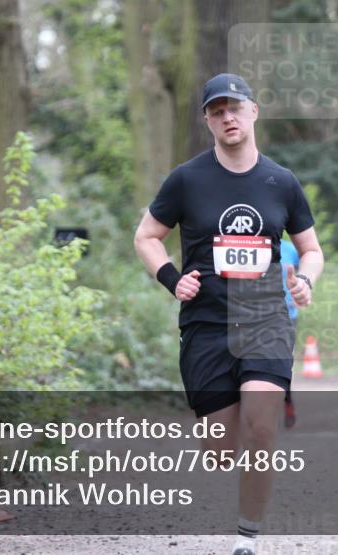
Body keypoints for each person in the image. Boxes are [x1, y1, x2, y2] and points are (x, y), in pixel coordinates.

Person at [134, 73, 324, 555]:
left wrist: (304, 280)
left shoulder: (281, 182)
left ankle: (247, 538)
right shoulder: (186, 179)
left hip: (264, 320)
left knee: (262, 426)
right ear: (207, 121)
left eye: (235, 107)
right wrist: (172, 278)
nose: (228, 116)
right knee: (220, 451)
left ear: (253, 111)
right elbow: (146, 236)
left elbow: (312, 250)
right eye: (217, 111)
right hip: (205, 324)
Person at [279, 238, 300, 427]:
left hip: (288, 314)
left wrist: (301, 288)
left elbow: (302, 275)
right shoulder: (247, 243)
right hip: (251, 314)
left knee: (282, 363)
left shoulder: (290, 249)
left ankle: (287, 404)